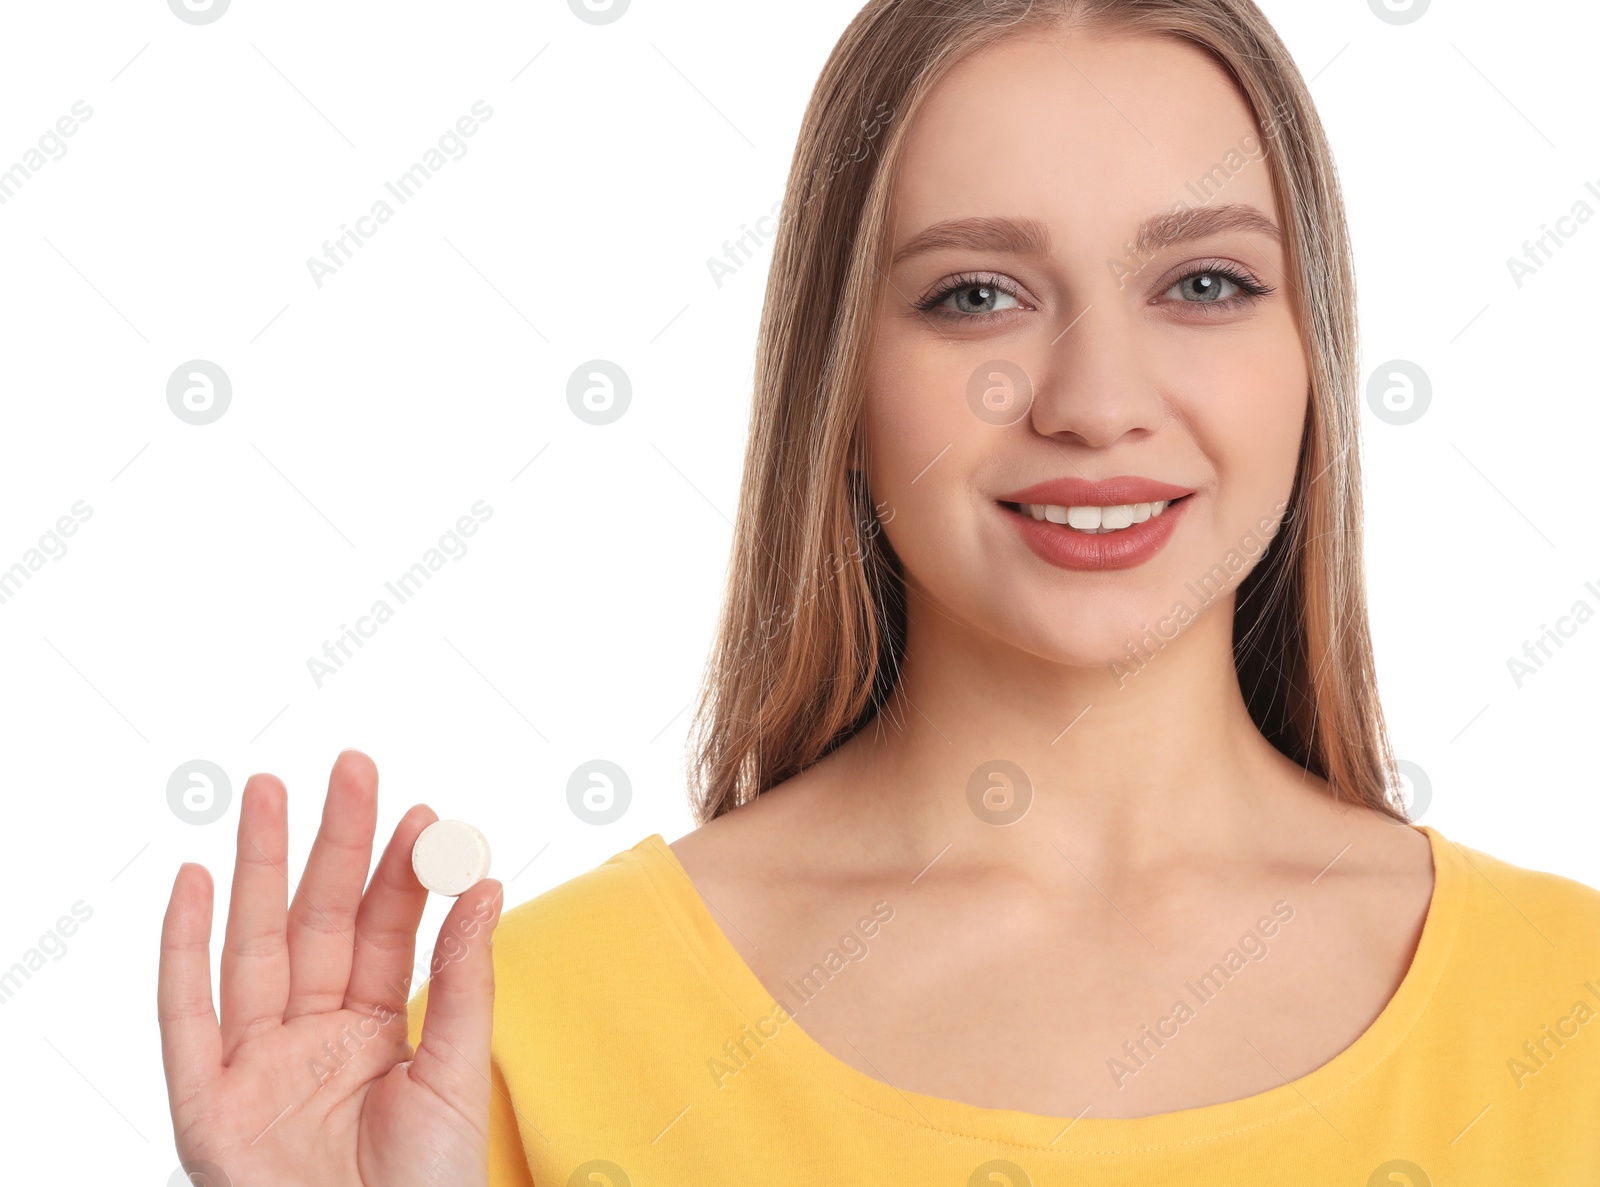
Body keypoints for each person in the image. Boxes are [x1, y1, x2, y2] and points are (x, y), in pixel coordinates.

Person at [158, 1, 1600, 1183]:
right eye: (976, 293)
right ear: (838, 381)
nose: (1097, 405)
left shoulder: (1569, 1010)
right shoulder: (512, 1045)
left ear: (1315, 360)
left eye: (1206, 285)